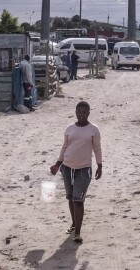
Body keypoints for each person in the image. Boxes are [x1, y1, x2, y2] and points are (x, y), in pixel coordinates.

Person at [50, 101, 102, 243]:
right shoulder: (69, 128)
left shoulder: (94, 129)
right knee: (71, 198)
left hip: (84, 170)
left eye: (84, 112)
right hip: (67, 168)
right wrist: (57, 164)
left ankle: (78, 232)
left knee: (78, 200)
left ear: (89, 113)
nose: (82, 115)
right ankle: (74, 224)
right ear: (75, 112)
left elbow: (97, 148)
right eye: (79, 112)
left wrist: (99, 165)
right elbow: (65, 146)